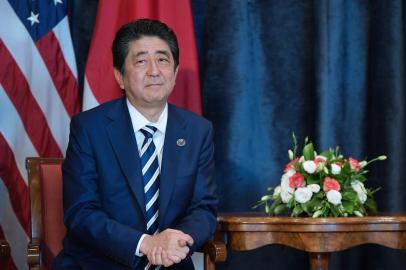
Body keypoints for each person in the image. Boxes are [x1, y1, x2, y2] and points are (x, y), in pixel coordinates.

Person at [53, 19, 218, 269]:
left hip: (169, 264)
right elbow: (81, 212)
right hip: (98, 263)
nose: (154, 70)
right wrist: (145, 244)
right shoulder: (89, 128)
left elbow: (204, 209)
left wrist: (175, 243)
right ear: (119, 76)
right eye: (141, 61)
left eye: (163, 60)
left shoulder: (198, 131)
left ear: (174, 73)